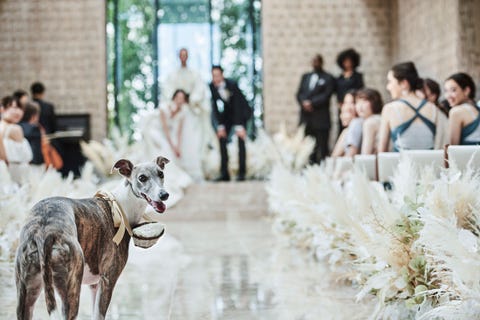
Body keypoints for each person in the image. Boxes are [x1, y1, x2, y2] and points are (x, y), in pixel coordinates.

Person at [162, 48, 213, 158]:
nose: (183, 57)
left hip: (191, 108)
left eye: (185, 55)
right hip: (177, 107)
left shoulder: (194, 74)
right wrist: (177, 101)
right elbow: (168, 90)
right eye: (181, 55)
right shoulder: (173, 75)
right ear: (179, 57)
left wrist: (190, 100)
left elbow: (200, 90)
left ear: (188, 56)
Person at [378, 62, 439, 152]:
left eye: (390, 82)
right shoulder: (432, 108)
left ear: (404, 83)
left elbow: (381, 152)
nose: (388, 87)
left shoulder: (390, 109)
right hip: (429, 165)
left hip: (402, 165)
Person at [209, 65, 251, 181]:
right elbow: (216, 107)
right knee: (221, 137)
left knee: (241, 140)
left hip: (241, 113)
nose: (216, 78)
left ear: (222, 75)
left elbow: (238, 105)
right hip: (227, 115)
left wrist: (239, 126)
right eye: (213, 76)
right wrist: (220, 126)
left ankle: (242, 173)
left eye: (217, 75)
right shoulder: (212, 86)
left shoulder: (232, 84)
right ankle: (224, 174)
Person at [296, 54, 335, 163]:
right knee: (308, 148)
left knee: (322, 148)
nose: (315, 63)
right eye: (313, 61)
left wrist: (312, 103)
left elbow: (327, 95)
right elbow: (299, 93)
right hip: (307, 119)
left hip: (321, 119)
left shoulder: (328, 78)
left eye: (317, 61)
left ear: (321, 62)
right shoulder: (305, 77)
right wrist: (304, 103)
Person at [158, 89, 203, 180]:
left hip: (172, 134)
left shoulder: (182, 112)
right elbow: (165, 128)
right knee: (166, 148)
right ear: (174, 97)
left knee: (178, 151)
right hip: (160, 130)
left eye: (182, 98)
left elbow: (179, 132)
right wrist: (172, 146)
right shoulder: (163, 108)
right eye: (178, 97)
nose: (180, 100)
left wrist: (177, 147)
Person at [0, 96, 33, 184]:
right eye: (14, 107)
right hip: (16, 174)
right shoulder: (15, 129)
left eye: (20, 108)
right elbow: (25, 157)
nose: (18, 112)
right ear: (2, 109)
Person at [445, 73, 479, 145]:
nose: (448, 96)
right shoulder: (477, 109)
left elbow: (452, 149)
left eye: (453, 90)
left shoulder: (456, 112)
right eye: (446, 91)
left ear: (466, 90)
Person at [356, 88, 383, 154]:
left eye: (365, 101)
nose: (360, 106)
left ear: (374, 103)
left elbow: (366, 155)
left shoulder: (370, 122)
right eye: (357, 102)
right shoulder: (380, 118)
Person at [331, 91, 357, 157]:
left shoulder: (350, 129)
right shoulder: (349, 129)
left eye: (352, 102)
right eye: (345, 102)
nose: (347, 106)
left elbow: (334, 157)